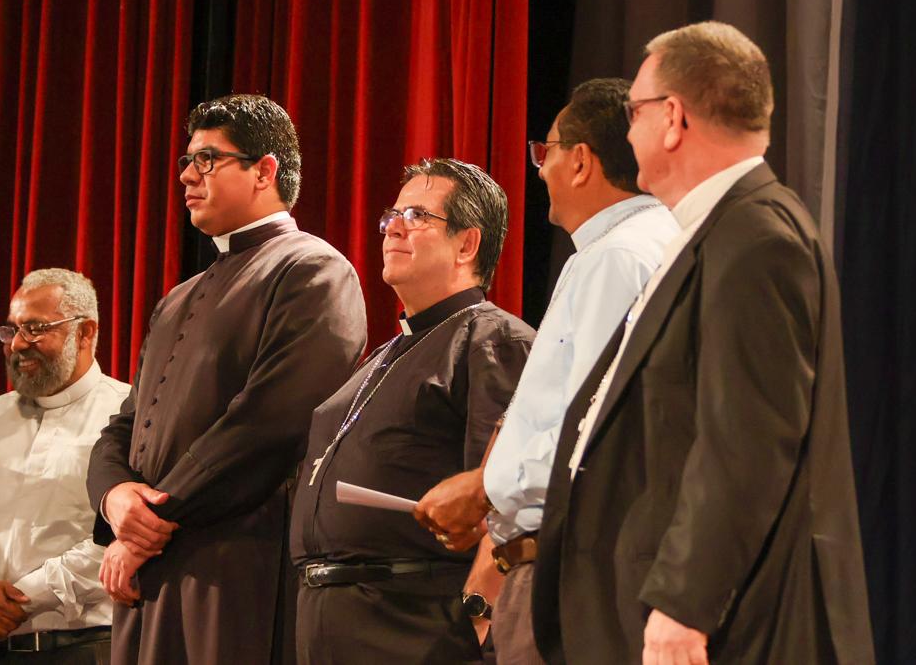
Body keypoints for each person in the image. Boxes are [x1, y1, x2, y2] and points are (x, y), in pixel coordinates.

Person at [533, 22, 875, 663]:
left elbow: (748, 439)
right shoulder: (713, 233)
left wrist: (686, 604)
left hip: (725, 626)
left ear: (672, 119)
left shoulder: (757, 239)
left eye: (634, 111)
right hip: (643, 602)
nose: (626, 131)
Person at [87, 94, 368, 665]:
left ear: (265, 170)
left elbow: (271, 423)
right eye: (189, 161)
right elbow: (124, 426)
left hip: (240, 566)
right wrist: (115, 498)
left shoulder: (312, 269)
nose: (188, 175)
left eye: (208, 159)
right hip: (154, 566)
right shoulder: (178, 298)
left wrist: (150, 523)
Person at [413, 80, 678, 663]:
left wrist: (483, 489)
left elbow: (593, 425)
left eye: (546, 150)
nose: (540, 169)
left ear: (581, 160)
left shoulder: (619, 256)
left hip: (582, 574)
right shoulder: (632, 248)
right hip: (583, 566)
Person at [291, 157, 534, 665]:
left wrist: (478, 617)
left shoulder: (491, 340)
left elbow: (505, 497)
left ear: (467, 244)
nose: (393, 227)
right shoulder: (384, 354)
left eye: (419, 216)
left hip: (416, 628)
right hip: (333, 620)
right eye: (392, 216)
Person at [0, 268, 130, 663]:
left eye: (35, 328)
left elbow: (122, 538)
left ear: (85, 332)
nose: (17, 344)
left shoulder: (126, 413)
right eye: (11, 329)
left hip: (83, 649)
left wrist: (24, 599)